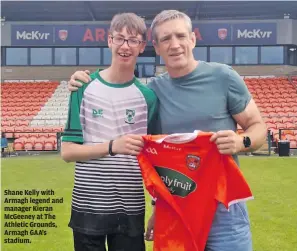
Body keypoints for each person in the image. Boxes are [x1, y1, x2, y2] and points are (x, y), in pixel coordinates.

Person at [67, 10, 267, 251]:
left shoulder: (223, 76)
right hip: (176, 209)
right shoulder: (155, 92)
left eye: (180, 36)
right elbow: (157, 160)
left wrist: (240, 142)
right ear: (156, 47)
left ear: (192, 39)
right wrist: (157, 210)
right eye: (165, 39)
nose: (175, 45)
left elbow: (258, 128)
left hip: (223, 210)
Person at [61, 12, 158, 251]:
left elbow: (156, 159)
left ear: (142, 46)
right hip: (87, 206)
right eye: (120, 38)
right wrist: (114, 147)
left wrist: (158, 206)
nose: (125, 46)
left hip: (130, 208)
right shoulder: (82, 88)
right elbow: (68, 151)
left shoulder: (148, 98)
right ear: (109, 41)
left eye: (133, 40)